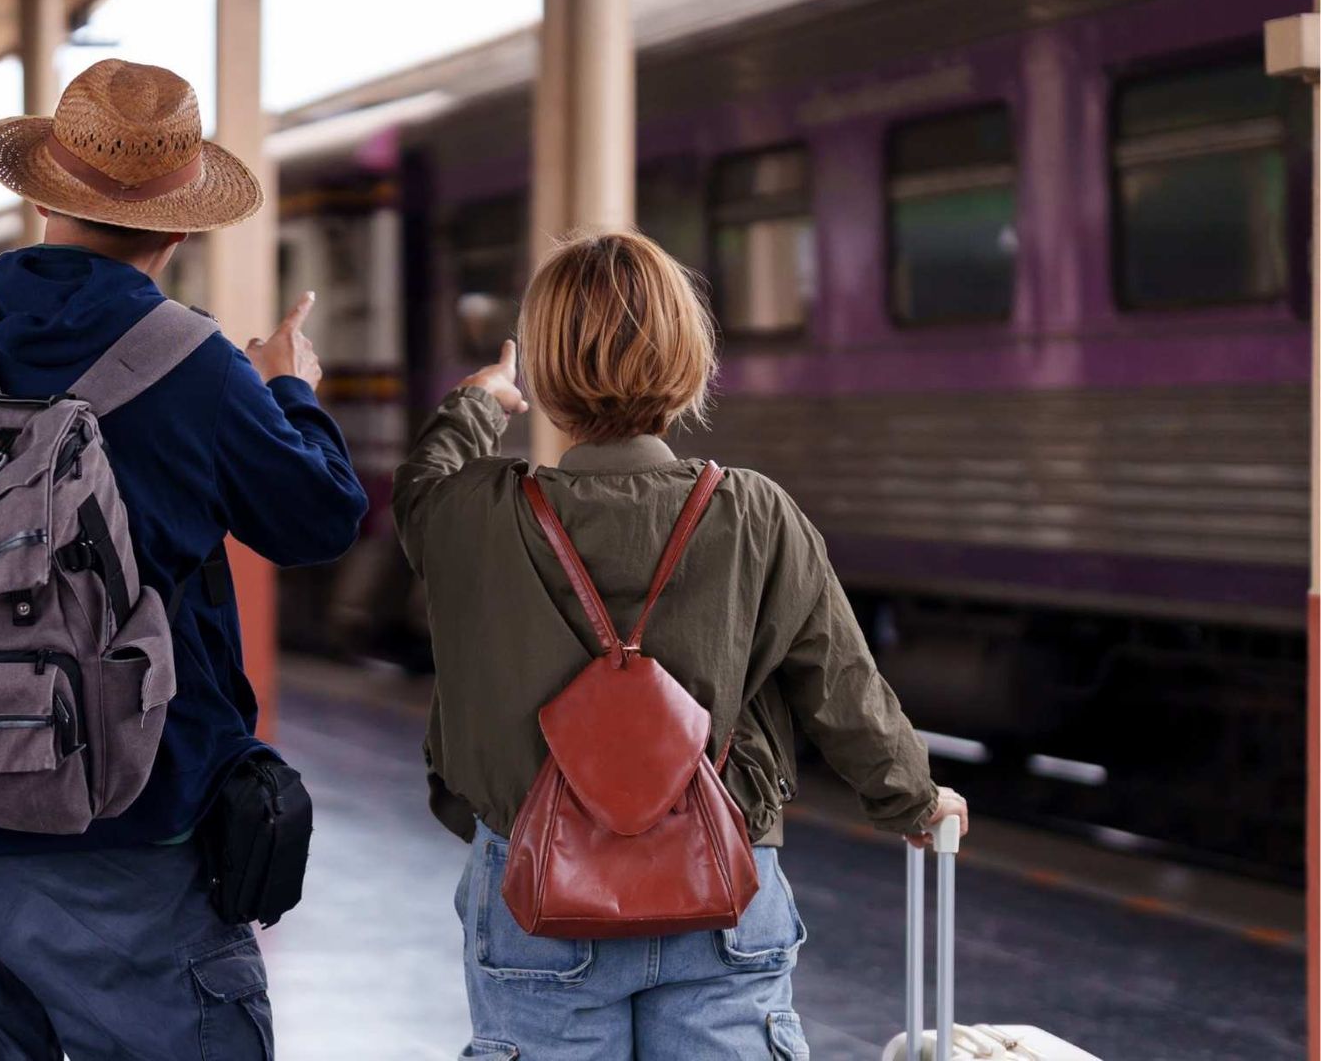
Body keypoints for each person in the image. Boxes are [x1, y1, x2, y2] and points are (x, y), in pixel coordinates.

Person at [0, 59, 368, 1059]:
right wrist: (289, 391)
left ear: (42, 196)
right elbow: (318, 520)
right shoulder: (200, 368)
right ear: (182, 224)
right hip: (126, 835)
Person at [392, 230, 969, 1060]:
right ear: (689, 361)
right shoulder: (755, 512)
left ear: (549, 376)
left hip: (536, 888)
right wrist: (914, 801)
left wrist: (481, 401)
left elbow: (419, 491)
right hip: (722, 890)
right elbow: (842, 685)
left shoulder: (473, 515)